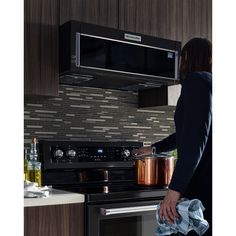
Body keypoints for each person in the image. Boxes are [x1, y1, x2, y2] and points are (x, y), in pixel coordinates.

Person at [134, 37, 212, 235]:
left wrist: (174, 190)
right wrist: (154, 148)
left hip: (202, 187)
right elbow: (190, 131)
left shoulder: (197, 81)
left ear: (187, 58)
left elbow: (195, 140)